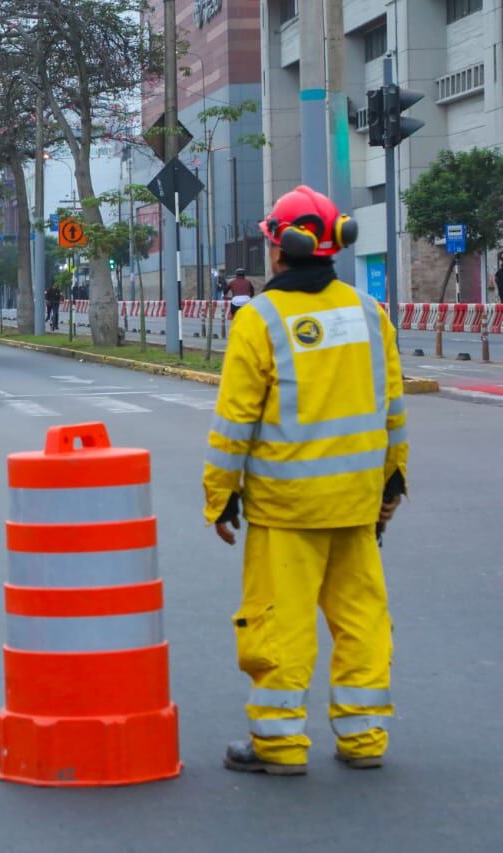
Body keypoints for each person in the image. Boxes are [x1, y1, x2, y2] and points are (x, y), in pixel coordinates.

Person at [203, 185, 408, 777]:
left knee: (280, 626)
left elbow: (233, 424)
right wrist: (391, 487)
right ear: (333, 245)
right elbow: (392, 409)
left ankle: (280, 746)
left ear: (278, 248)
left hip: (285, 509)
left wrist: (220, 498)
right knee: (362, 622)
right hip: (357, 505)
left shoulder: (260, 319)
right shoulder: (370, 314)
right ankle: (365, 738)